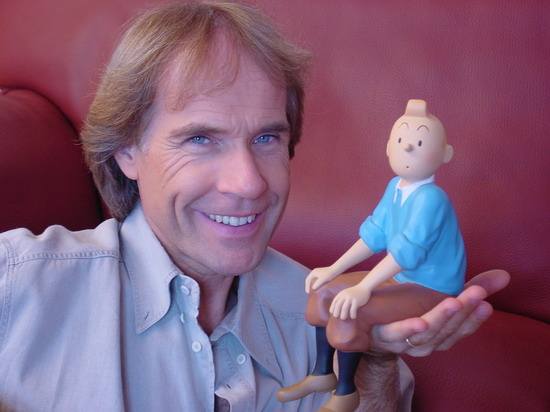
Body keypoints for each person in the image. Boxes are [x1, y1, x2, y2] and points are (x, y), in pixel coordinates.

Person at [0, 3, 509, 411]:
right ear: (127, 152)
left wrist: (369, 357)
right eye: (200, 138)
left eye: (267, 138)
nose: (249, 183)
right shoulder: (18, 287)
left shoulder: (323, 314)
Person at [277, 99, 468, 411]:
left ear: (445, 154)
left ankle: (345, 392)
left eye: (419, 143)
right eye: (401, 139)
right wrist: (332, 269)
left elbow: (405, 254)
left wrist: (364, 288)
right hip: (401, 277)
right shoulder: (395, 187)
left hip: (432, 287)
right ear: (389, 147)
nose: (408, 147)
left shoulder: (432, 199)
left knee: (352, 307)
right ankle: (322, 373)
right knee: (325, 291)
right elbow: (373, 235)